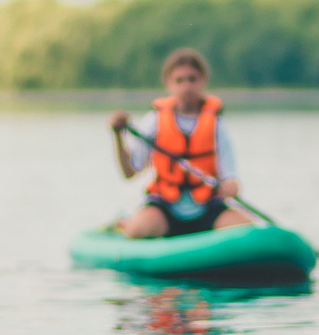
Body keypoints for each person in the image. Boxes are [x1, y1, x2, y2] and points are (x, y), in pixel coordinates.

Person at [108, 47, 256, 238]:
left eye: (192, 79)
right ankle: (125, 223)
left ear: (203, 81)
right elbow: (130, 172)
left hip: (208, 206)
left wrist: (230, 187)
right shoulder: (154, 120)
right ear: (168, 84)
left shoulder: (217, 125)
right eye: (179, 80)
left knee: (248, 231)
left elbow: (231, 180)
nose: (186, 87)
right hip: (165, 208)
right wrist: (118, 136)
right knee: (139, 230)